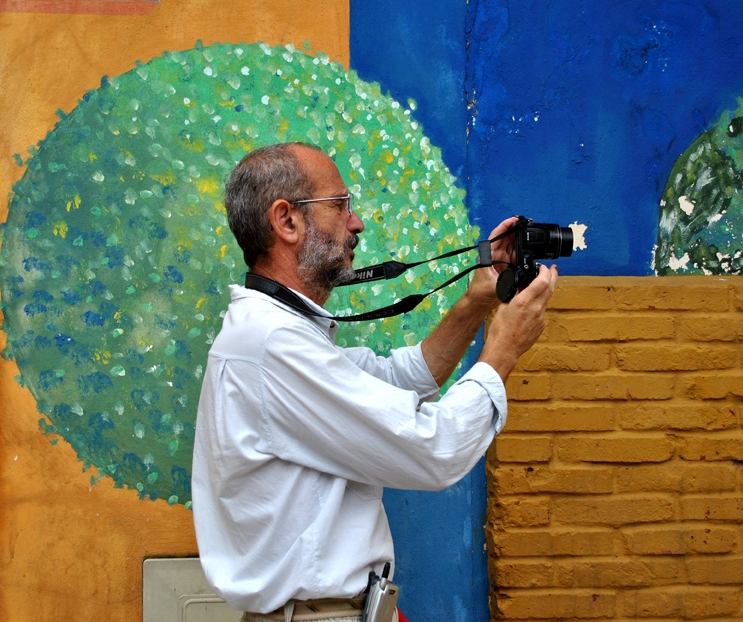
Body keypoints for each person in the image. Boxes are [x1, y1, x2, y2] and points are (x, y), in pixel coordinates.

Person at [192, 142, 557, 621]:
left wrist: (477, 300)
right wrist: (503, 350)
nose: (356, 222)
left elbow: (399, 379)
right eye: (340, 205)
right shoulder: (272, 345)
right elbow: (434, 450)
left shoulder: (280, 334)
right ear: (287, 222)